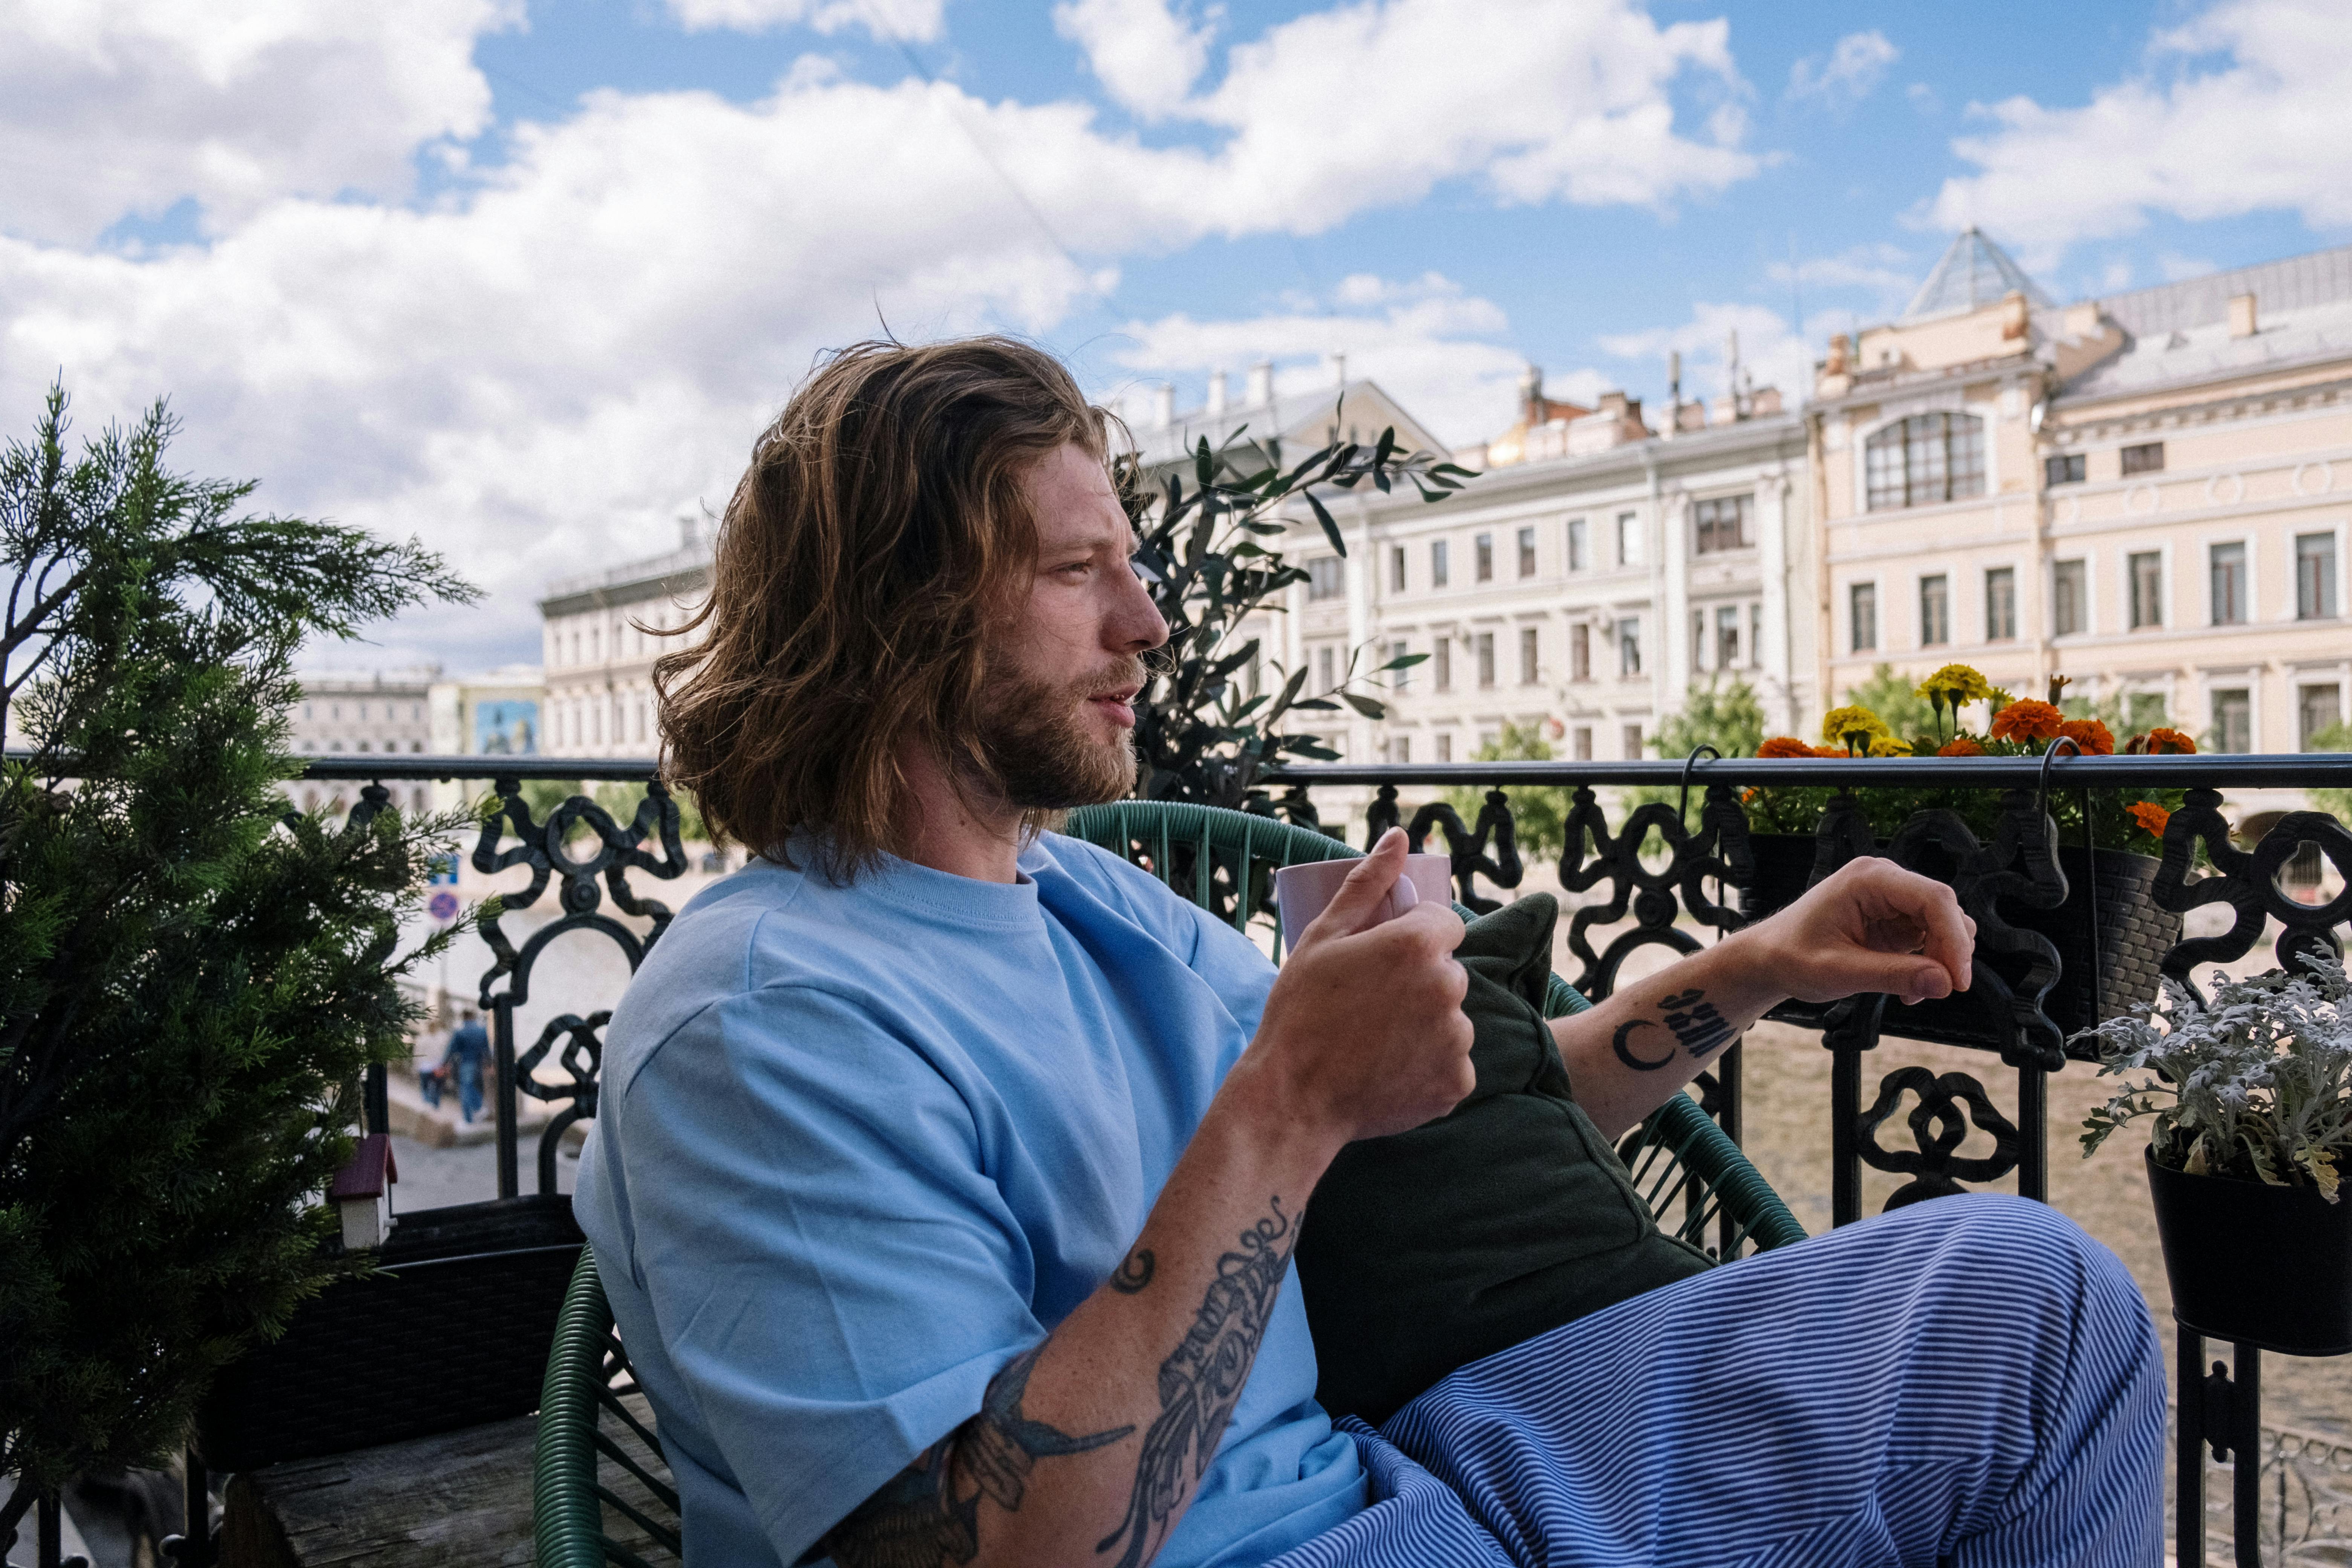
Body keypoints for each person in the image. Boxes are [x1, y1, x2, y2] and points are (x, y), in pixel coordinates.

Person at [572, 338, 2166, 1568]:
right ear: (896, 617)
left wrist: (1751, 969)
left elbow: (1416, 1123)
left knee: (2031, 1299)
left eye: (1130, 565)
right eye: (1078, 574)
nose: (1148, 623)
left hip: (1415, 1469)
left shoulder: (1077, 900)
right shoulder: (764, 1025)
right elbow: (969, 1549)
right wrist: (1278, 1109)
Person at [438, 1007, 490, 1125]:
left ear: (464, 1018)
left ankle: (470, 1117)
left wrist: (444, 1064)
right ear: (473, 1017)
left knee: (465, 1089)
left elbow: (451, 1050)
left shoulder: (460, 1032)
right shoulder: (482, 1031)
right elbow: (487, 1049)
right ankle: (478, 1109)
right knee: (474, 1087)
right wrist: (490, 1064)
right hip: (479, 1064)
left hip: (466, 1063)